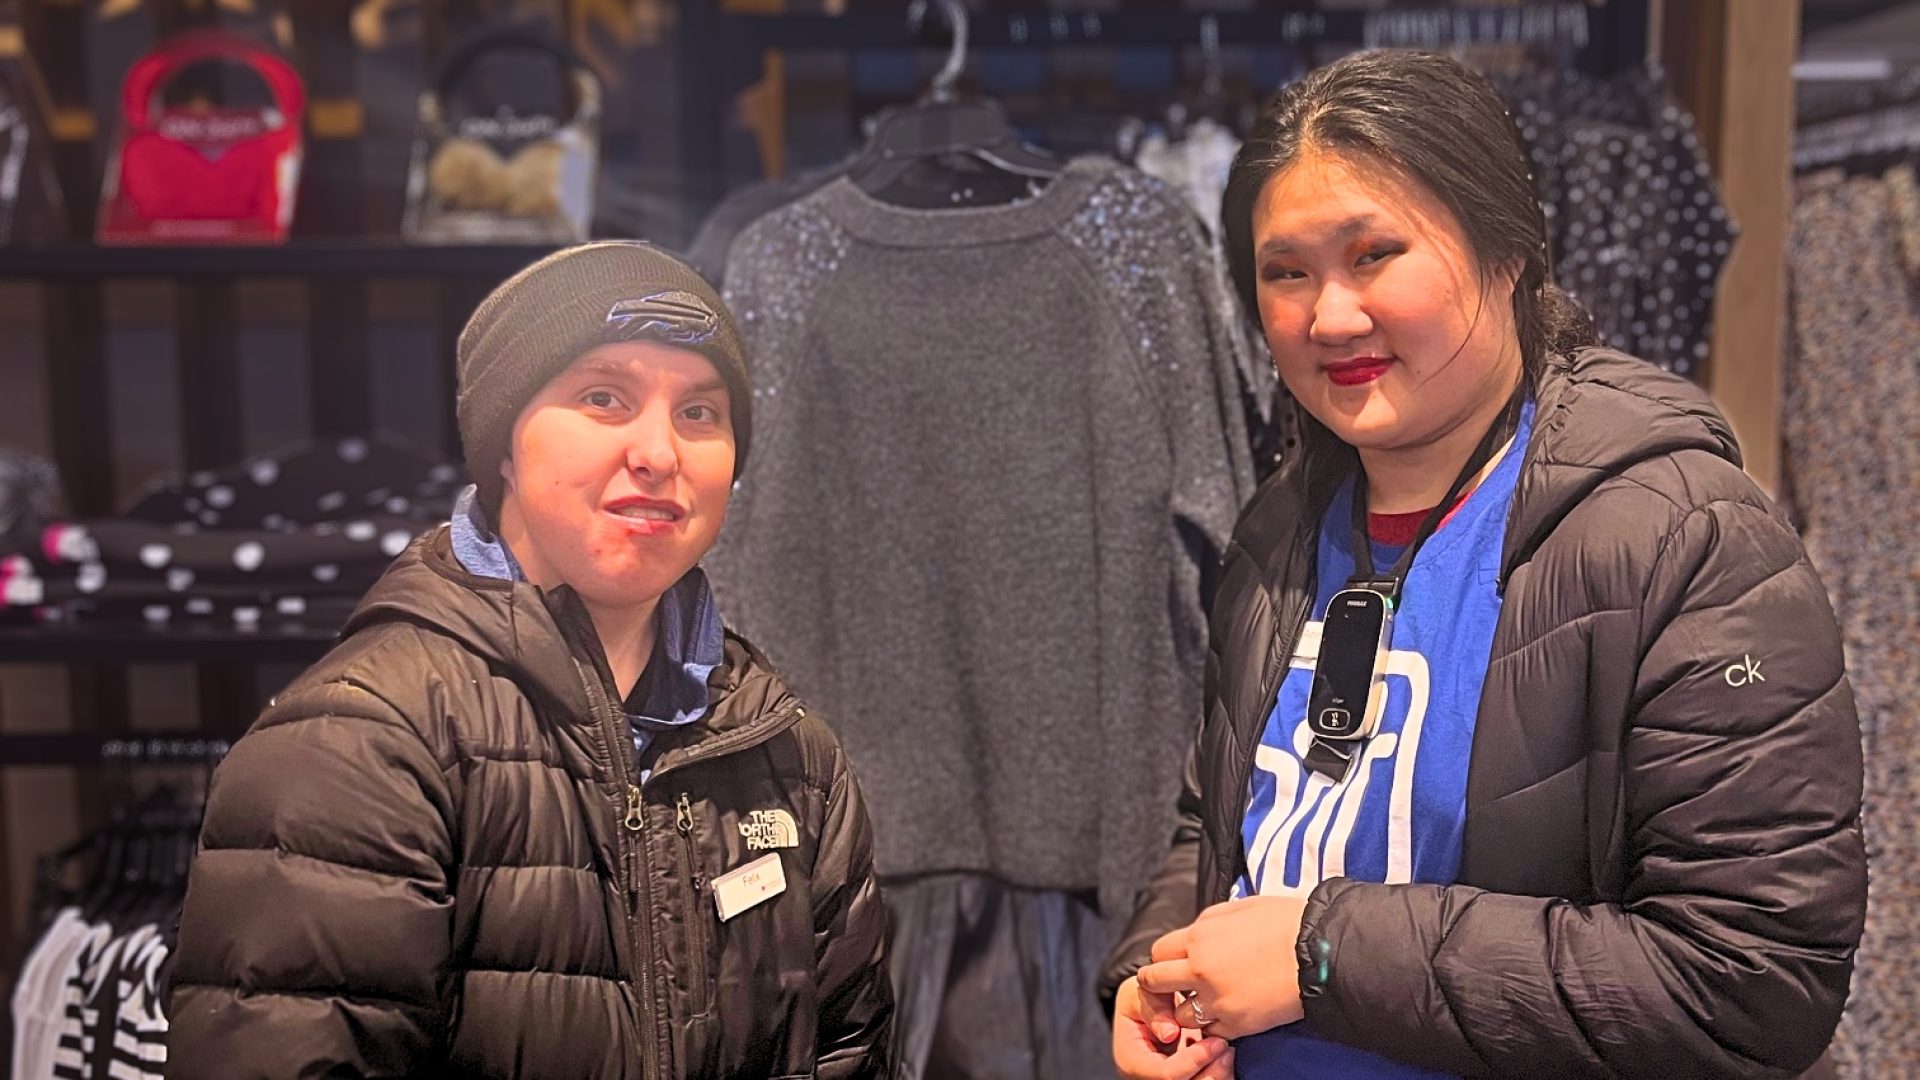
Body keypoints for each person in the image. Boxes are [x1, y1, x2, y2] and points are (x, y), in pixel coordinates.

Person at [1101, 50, 1866, 1080]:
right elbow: (1228, 821)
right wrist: (1156, 979)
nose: (1329, 317)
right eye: (1286, 271)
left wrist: (1322, 954)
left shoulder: (1680, 538)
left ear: (1508, 255)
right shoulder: (1282, 526)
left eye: (1376, 254)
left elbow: (1751, 978)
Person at [164, 242, 893, 1079]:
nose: (659, 452)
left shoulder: (792, 755)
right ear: (504, 444)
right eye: (603, 397)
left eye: (700, 413)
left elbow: (852, 1054)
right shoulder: (358, 746)